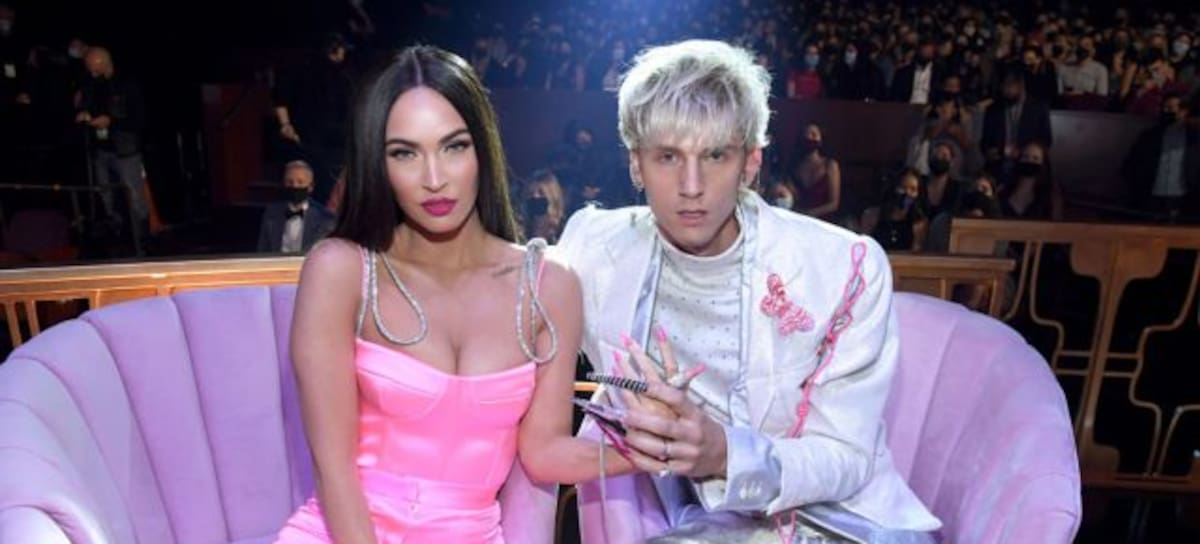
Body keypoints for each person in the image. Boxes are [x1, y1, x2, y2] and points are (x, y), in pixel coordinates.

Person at [557, 39, 940, 543]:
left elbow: (846, 457)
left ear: (751, 163)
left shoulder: (843, 268)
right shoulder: (592, 247)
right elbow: (502, 291)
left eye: (715, 155)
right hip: (693, 521)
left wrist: (724, 454)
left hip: (839, 521)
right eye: (667, 156)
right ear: (635, 164)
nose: (691, 185)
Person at [276, 45, 637, 543]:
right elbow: (332, 469)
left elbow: (543, 453)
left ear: (483, 149)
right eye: (405, 153)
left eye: (454, 146)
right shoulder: (342, 270)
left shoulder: (548, 285)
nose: (434, 179)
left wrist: (649, 449)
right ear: (379, 163)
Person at [75, 46, 149, 250]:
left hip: (125, 148)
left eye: (92, 66)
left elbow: (139, 118)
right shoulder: (93, 84)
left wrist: (111, 121)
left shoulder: (126, 84)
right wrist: (84, 113)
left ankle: (142, 237)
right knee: (105, 192)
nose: (90, 70)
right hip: (101, 148)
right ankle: (116, 233)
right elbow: (87, 105)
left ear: (103, 62)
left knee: (134, 193)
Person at [273, 32, 355, 205]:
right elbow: (281, 98)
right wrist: (285, 125)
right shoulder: (302, 68)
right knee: (307, 185)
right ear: (332, 50)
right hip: (308, 138)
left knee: (328, 189)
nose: (344, 54)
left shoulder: (343, 75)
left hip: (332, 141)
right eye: (342, 49)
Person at [1121, 93, 1200, 221]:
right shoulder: (1150, 135)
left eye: (1170, 108)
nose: (1165, 111)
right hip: (1152, 195)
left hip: (1182, 196)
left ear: (1184, 111)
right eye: (1164, 107)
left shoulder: (1194, 137)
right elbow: (1131, 164)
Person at [257, 160, 336, 253]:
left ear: (311, 186)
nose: (295, 186)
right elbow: (262, 251)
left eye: (300, 182)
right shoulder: (271, 212)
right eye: (290, 182)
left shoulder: (325, 217)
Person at [788, 123, 842, 221]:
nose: (809, 137)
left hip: (824, 221)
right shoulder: (795, 167)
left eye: (813, 134)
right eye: (806, 134)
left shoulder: (830, 165)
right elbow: (793, 198)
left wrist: (810, 213)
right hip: (799, 219)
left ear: (821, 140)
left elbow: (834, 204)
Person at [520, 169, 567, 243]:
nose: (535, 196)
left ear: (552, 196)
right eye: (531, 193)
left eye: (541, 192)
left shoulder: (564, 229)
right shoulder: (522, 229)